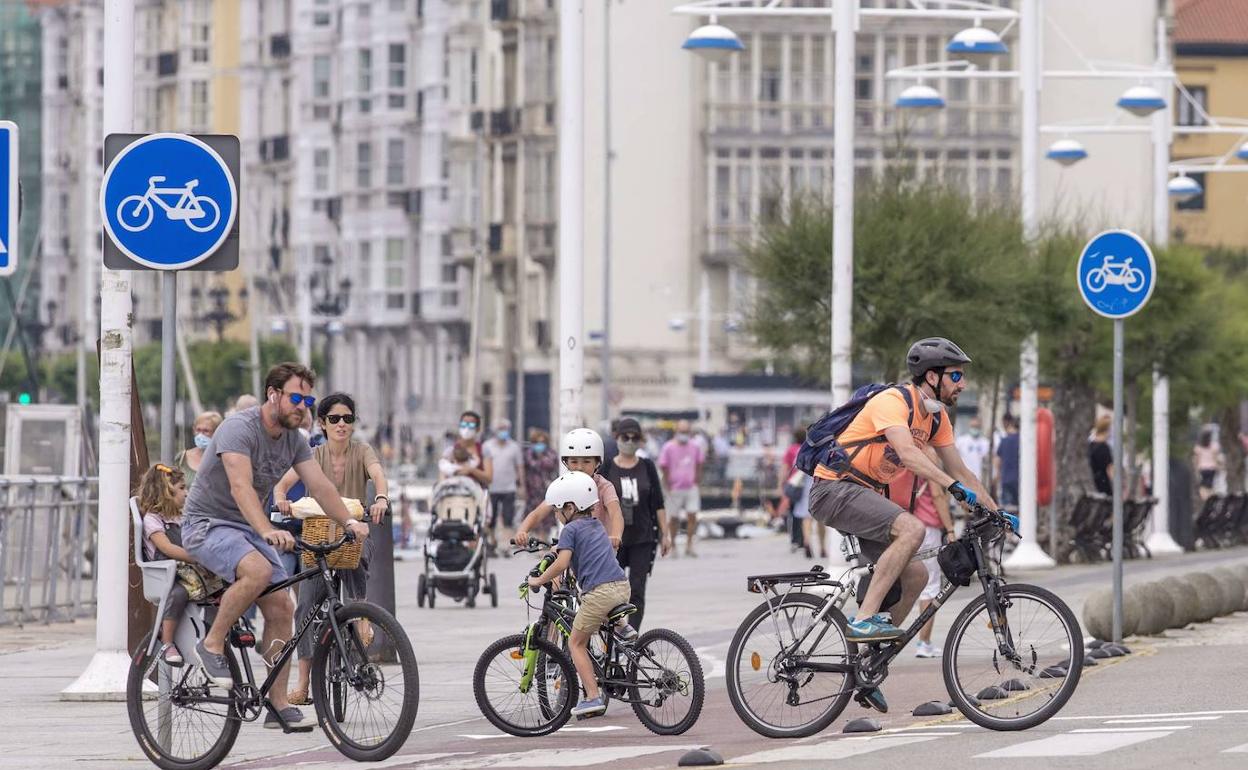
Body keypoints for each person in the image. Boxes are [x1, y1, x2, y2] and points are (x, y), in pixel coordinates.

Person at [807, 337, 996, 714]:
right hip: (834, 488)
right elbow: (908, 455)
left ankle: (868, 664)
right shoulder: (892, 402)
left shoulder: (936, 417)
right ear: (932, 376)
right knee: (912, 529)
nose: (963, 384)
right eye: (956, 375)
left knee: (916, 577)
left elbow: (961, 470)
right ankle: (862, 620)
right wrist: (952, 487)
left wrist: (997, 510)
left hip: (864, 495)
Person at [181, 363, 370, 732]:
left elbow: (320, 487)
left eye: (308, 400)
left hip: (247, 529)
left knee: (283, 606)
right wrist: (267, 529)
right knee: (260, 570)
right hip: (207, 524)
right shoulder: (239, 427)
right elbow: (240, 487)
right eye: (296, 397)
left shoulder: (295, 439)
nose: (303, 407)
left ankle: (278, 703)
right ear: (273, 395)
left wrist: (348, 521)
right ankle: (212, 643)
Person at [272, 392, 390, 707]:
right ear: (322, 423)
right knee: (306, 607)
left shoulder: (363, 451)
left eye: (347, 419)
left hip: (352, 533)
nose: (341, 424)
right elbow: (281, 485)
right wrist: (282, 499)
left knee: (357, 564)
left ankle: (361, 618)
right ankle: (303, 682)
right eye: (334, 419)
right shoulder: (312, 455)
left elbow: (378, 475)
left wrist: (380, 499)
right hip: (317, 534)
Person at [526, 472, 634, 719]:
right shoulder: (596, 524)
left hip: (600, 593)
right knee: (597, 609)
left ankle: (593, 696)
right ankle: (622, 628)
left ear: (571, 507)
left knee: (576, 643)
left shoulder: (570, 530)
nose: (556, 514)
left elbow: (563, 562)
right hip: (621, 586)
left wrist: (540, 579)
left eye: (557, 510)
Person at [603, 417, 671, 631]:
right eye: (625, 437)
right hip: (616, 539)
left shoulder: (647, 466)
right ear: (617, 438)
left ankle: (632, 634)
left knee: (637, 589)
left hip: (643, 537)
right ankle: (616, 630)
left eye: (634, 438)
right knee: (612, 589)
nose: (630, 441)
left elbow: (658, 502)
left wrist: (665, 534)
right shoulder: (607, 467)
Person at [888, 459, 955, 660]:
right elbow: (936, 494)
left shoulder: (902, 451)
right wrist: (950, 529)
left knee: (900, 582)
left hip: (901, 524)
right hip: (927, 528)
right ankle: (924, 643)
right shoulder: (927, 453)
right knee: (931, 586)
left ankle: (883, 635)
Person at [514, 428, 624, 549]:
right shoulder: (563, 486)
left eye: (587, 461)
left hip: (599, 549)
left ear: (597, 462)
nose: (580, 467)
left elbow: (616, 513)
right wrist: (522, 531)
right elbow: (538, 513)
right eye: (574, 461)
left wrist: (616, 535)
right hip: (573, 549)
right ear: (566, 462)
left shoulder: (604, 486)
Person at [138, 462, 194, 666]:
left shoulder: (182, 516)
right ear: (165, 492)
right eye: (181, 488)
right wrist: (197, 557)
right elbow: (167, 548)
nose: (186, 493)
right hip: (168, 574)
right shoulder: (153, 520)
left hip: (188, 570)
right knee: (178, 593)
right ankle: (167, 641)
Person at [658, 419, 705, 558]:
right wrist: (668, 482)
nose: (683, 434)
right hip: (674, 488)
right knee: (673, 518)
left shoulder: (695, 446)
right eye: (681, 432)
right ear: (676, 432)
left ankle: (689, 545)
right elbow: (663, 465)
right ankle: (673, 546)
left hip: (691, 486)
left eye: (686, 432)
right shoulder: (668, 447)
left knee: (692, 515)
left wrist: (697, 478)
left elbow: (699, 462)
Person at [483, 419, 526, 551]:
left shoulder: (514, 447)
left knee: (508, 518)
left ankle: (507, 545)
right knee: (491, 518)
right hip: (492, 488)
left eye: (505, 428)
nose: (503, 431)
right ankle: (491, 543)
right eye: (501, 428)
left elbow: (519, 467)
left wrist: (522, 485)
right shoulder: (487, 446)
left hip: (509, 488)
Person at [440, 410, 493, 489]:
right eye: (463, 425)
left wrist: (471, 470)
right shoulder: (450, 450)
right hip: (453, 492)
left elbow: (489, 478)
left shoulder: (483, 450)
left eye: (471, 425)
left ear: (478, 429)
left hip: (477, 495)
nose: (466, 428)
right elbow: (442, 476)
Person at [523, 428, 560, 535]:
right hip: (532, 491)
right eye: (537, 443)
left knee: (546, 518)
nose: (540, 445)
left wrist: (541, 459)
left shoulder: (551, 453)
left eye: (542, 443)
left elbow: (551, 464)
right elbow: (527, 466)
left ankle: (543, 540)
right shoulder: (528, 454)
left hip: (547, 490)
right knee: (533, 515)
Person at [175, 411, 223, 488]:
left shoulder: (223, 459)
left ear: (217, 432)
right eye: (198, 430)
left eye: (206, 431)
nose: (200, 435)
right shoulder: (181, 458)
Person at [994, 415, 1021, 508]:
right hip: (1020, 480)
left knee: (1008, 510)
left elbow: (997, 461)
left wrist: (997, 476)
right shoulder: (1023, 441)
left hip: (1006, 479)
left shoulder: (1004, 440)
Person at [955, 417, 990, 488]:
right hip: (964, 478)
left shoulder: (985, 443)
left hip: (978, 480)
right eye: (973, 426)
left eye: (977, 427)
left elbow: (987, 461)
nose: (975, 429)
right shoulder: (961, 441)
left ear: (980, 427)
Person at [1193, 427, 1225, 501]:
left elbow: (1196, 460)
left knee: (1203, 486)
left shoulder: (1198, 447)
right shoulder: (1214, 446)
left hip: (1202, 468)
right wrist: (1220, 466)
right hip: (1212, 468)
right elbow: (1216, 458)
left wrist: (1196, 470)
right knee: (1210, 486)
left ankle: (1206, 500)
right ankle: (1211, 500)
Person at [1088, 415, 1113, 496]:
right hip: (1103, 485)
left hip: (1092, 483)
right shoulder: (1104, 447)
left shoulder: (1090, 445)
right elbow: (1110, 469)